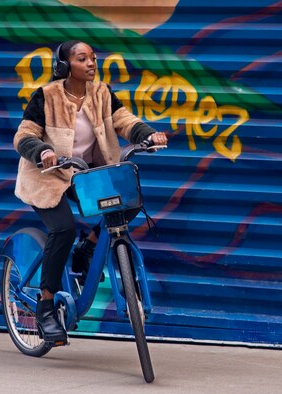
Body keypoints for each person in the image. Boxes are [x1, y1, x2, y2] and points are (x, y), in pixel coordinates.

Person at [13, 40, 168, 344]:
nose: (91, 64)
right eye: (82, 59)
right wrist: (42, 150)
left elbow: (125, 122)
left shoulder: (102, 94)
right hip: (47, 176)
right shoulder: (46, 97)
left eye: (93, 58)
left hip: (83, 173)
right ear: (64, 66)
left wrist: (149, 135)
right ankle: (45, 306)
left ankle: (90, 247)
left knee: (129, 199)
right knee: (64, 229)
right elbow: (24, 135)